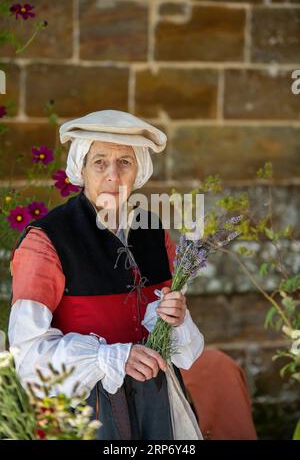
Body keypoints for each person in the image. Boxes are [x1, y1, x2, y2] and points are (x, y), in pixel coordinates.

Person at [8, 109, 204, 440]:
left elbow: (174, 332)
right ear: (80, 168)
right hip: (85, 409)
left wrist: (175, 317)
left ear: (139, 169)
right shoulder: (46, 240)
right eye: (100, 162)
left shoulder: (154, 230)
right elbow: (27, 354)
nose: (113, 174)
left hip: (158, 401)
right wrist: (110, 357)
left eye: (125, 162)